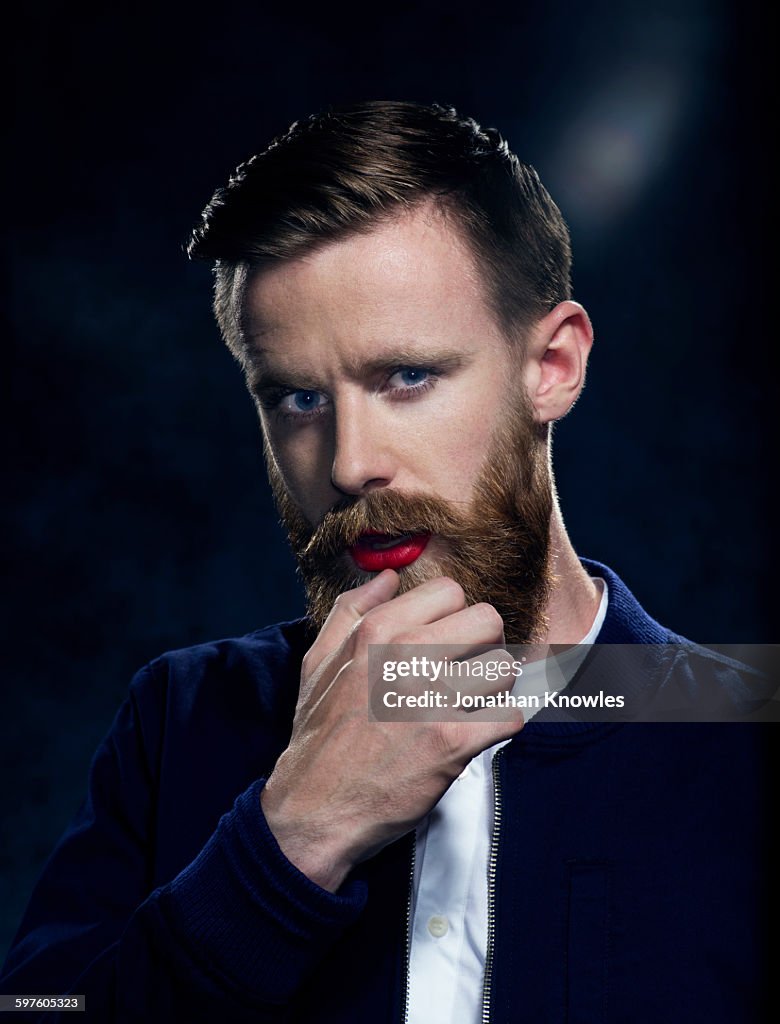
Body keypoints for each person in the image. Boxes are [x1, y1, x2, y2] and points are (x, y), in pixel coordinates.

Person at [0, 101, 771, 1022]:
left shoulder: (744, 731)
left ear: (553, 365)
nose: (348, 462)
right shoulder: (182, 717)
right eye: (294, 398)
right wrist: (290, 840)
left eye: (406, 376)